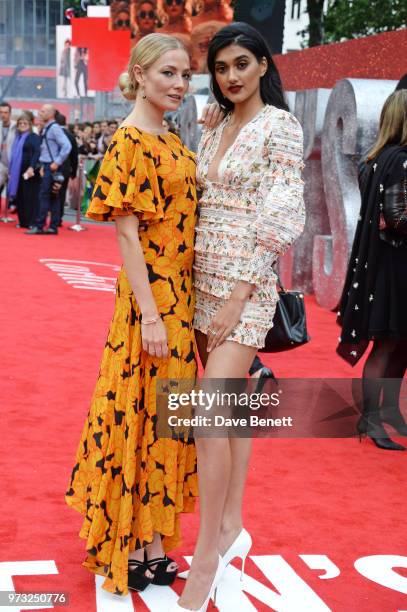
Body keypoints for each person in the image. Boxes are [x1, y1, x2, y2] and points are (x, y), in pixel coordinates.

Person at [65, 32, 202, 597]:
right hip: (153, 303)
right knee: (142, 414)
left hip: (183, 295)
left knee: (166, 420)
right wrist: (149, 315)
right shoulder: (129, 141)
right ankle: (136, 543)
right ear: (140, 75)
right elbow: (126, 238)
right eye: (168, 73)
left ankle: (153, 538)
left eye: (185, 75)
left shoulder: (170, 136)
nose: (179, 85)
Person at [175, 22, 305, 611]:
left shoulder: (280, 125)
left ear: (262, 67)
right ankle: (232, 528)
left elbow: (283, 212)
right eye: (222, 67)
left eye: (241, 65)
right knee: (229, 412)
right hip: (201, 279)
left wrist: (239, 293)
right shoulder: (218, 122)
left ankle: (206, 554)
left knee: (207, 412)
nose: (231, 76)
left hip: (244, 286)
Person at [337, 89, 407, 451]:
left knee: (399, 345)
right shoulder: (402, 160)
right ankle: (371, 419)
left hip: (385, 265)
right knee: (387, 345)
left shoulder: (377, 159)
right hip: (395, 267)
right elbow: (398, 219)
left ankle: (390, 412)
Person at [26, 104, 71, 235]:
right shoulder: (49, 128)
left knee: (44, 196)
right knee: (53, 196)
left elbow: (66, 146)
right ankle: (52, 226)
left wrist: (56, 162)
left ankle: (40, 225)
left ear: (51, 114)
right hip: (47, 166)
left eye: (43, 111)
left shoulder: (54, 128)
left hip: (51, 166)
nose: (40, 113)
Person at [7, 114, 41, 229]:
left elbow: (37, 153)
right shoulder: (17, 137)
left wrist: (32, 167)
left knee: (30, 197)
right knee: (20, 197)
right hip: (18, 173)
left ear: (30, 125)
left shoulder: (33, 137)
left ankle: (31, 222)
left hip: (30, 172)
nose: (22, 125)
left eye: (25, 123)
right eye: (20, 123)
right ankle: (22, 221)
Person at [55, 111, 79, 224]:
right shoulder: (70, 136)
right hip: (65, 168)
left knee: (51, 192)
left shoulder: (53, 133)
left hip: (53, 166)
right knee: (62, 192)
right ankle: (58, 217)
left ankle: (51, 216)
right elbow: (75, 155)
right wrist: (74, 171)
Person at [0, 100, 16, 213]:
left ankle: (13, 206)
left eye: (5, 112)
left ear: (10, 113)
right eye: (1, 112)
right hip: (1, 162)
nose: (3, 115)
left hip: (13, 163)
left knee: (13, 189)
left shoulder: (16, 127)